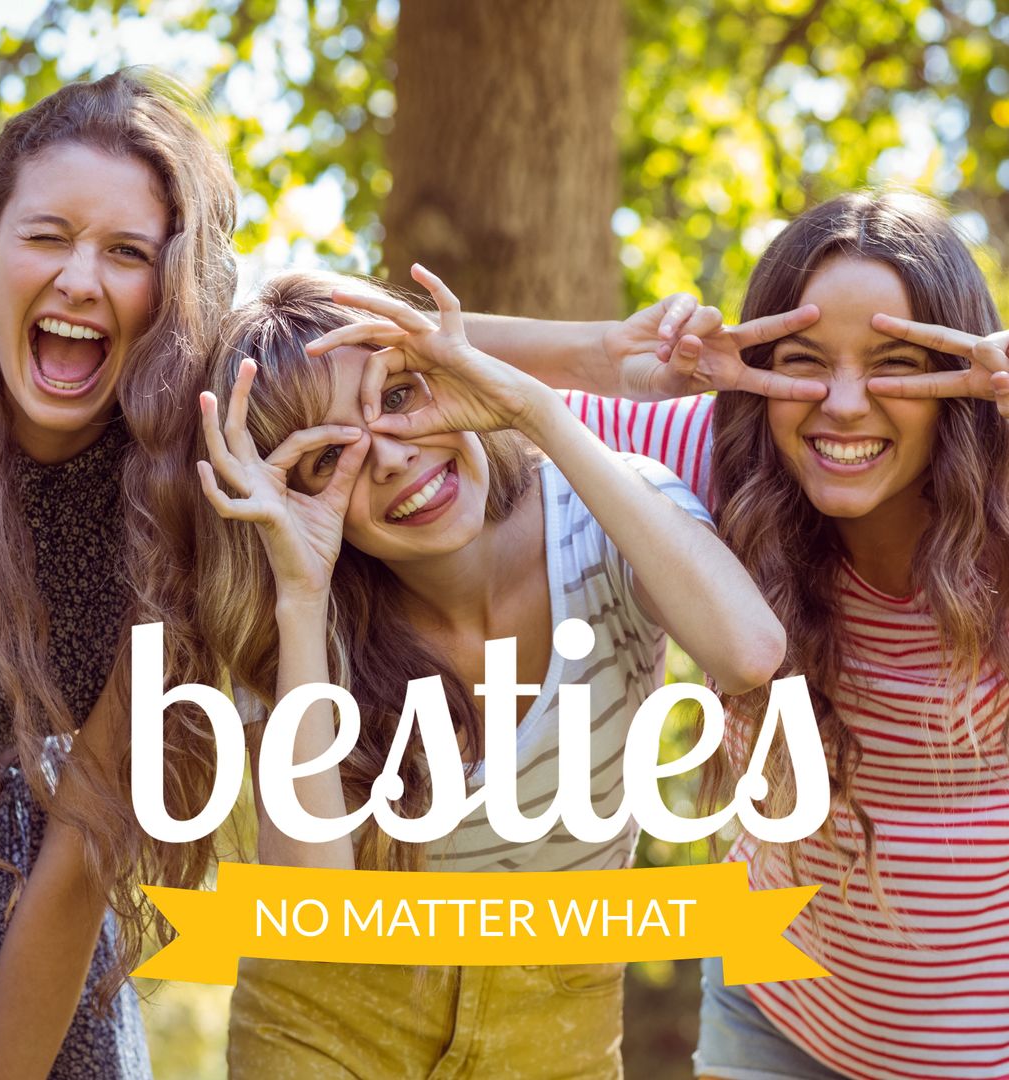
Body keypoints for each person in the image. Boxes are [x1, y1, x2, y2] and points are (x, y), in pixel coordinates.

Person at [436, 190, 1009, 1080]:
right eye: (804, 362)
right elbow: (376, 349)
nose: (843, 404)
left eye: (895, 365)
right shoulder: (717, 462)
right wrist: (599, 352)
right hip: (770, 1016)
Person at [194, 263, 797, 1078]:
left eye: (400, 397)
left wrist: (533, 406)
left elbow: (749, 650)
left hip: (557, 1018)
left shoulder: (602, 515)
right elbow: (316, 915)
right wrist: (298, 597)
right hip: (333, 1024)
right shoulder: (303, 617)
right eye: (327, 457)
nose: (391, 458)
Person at [0, 69, 236, 1079]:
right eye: (48, 236)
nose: (79, 280)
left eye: (126, 253)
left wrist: (614, 359)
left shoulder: (174, 490)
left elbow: (84, 838)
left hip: (11, 888)